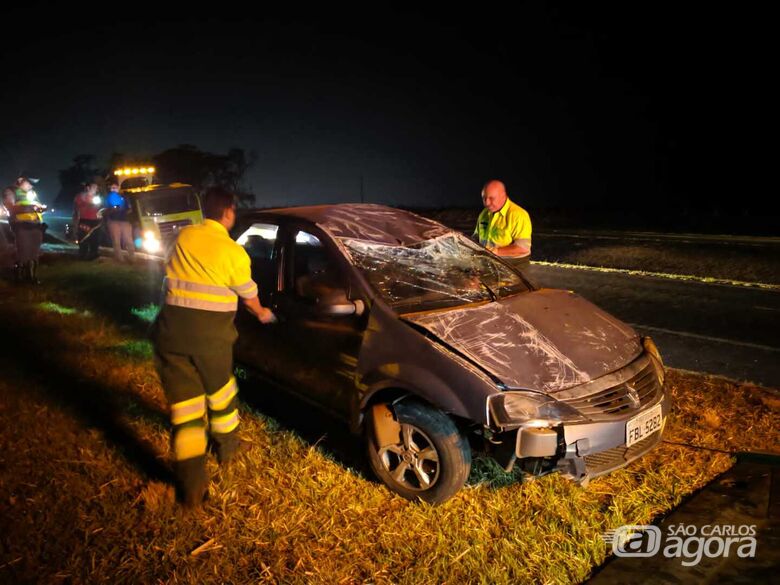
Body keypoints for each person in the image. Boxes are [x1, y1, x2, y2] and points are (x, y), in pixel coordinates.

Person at [152, 186, 276, 507]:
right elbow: (249, 297)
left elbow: (166, 273)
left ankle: (191, 490)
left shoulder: (183, 237)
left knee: (186, 414)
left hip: (169, 336)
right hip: (210, 340)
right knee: (221, 395)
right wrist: (263, 313)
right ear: (229, 212)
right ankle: (227, 450)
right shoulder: (232, 251)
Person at [473, 179, 532, 269]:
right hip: (489, 263)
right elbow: (475, 238)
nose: (487, 203)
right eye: (484, 198)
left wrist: (495, 251)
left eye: (491, 198)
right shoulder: (484, 214)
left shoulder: (518, 215)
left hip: (513, 267)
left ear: (503, 196)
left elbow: (523, 248)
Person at [10, 176, 47, 284]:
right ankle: (19, 278)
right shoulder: (12, 191)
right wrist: (31, 207)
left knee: (34, 253)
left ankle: (31, 277)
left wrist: (42, 208)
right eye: (29, 183)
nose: (31, 186)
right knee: (23, 252)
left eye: (33, 184)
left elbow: (37, 207)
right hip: (21, 225)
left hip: (36, 225)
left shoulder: (32, 193)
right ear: (21, 180)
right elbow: (11, 207)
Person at [104, 179, 134, 262]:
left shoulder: (124, 197)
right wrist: (112, 209)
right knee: (116, 241)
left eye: (115, 187)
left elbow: (130, 209)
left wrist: (123, 210)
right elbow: (105, 209)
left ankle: (132, 257)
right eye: (112, 188)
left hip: (124, 221)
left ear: (118, 187)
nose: (113, 189)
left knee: (129, 240)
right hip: (113, 221)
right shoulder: (108, 198)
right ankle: (120, 258)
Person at [72, 182, 102, 260]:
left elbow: (99, 208)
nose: (96, 189)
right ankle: (82, 255)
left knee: (95, 238)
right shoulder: (81, 196)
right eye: (94, 187)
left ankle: (94, 254)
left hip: (95, 220)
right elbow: (77, 208)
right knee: (84, 238)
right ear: (88, 188)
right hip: (84, 219)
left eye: (96, 187)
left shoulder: (97, 198)